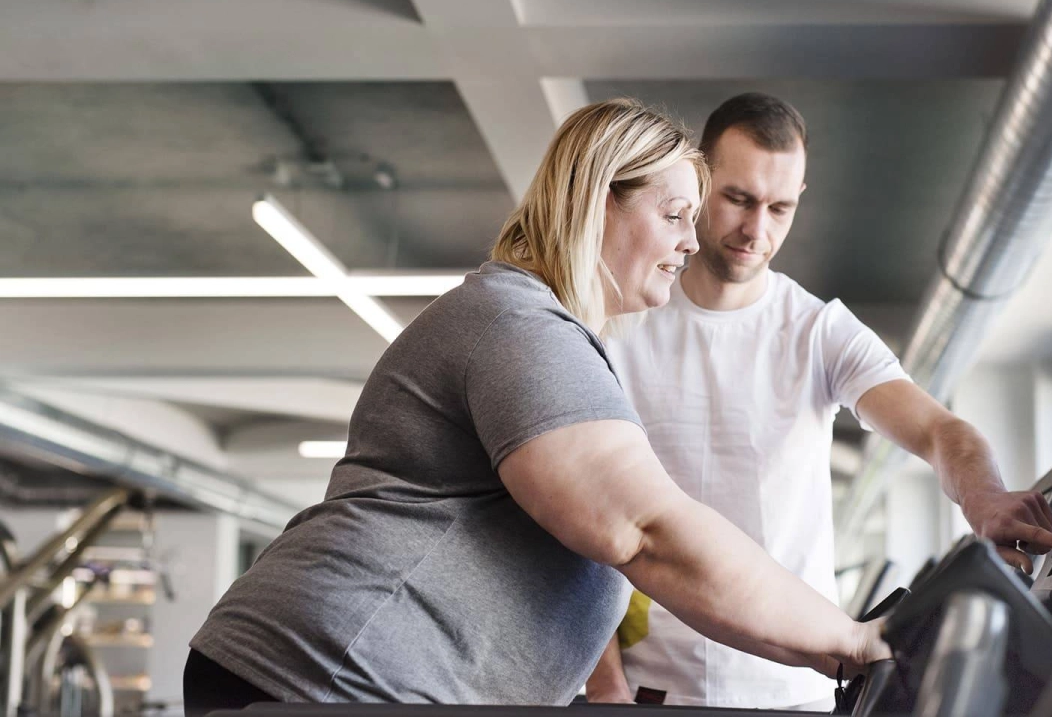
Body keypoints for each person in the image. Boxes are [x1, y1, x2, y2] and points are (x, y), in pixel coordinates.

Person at [184, 99, 889, 715]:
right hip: (330, 677)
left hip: (363, 679)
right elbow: (645, 532)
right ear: (597, 203)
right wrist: (848, 640)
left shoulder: (549, 335)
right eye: (674, 214)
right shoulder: (521, 328)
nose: (690, 239)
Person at [585, 93, 1052, 710]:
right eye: (738, 198)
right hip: (653, 688)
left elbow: (938, 431)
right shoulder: (621, 323)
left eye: (780, 207)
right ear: (698, 178)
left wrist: (983, 494)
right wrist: (605, 684)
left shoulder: (818, 331)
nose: (756, 229)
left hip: (796, 688)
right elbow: (580, 523)